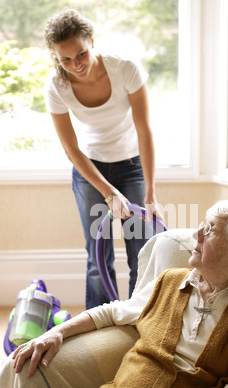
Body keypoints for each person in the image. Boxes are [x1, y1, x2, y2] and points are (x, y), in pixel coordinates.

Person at [12, 200, 228, 388]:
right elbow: (114, 312)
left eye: (211, 230)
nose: (196, 234)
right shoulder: (170, 281)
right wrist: (56, 332)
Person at [43, 9, 161, 309]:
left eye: (80, 54)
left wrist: (151, 195)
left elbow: (145, 130)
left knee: (143, 250)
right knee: (98, 256)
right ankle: (98, 330)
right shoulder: (57, 87)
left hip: (132, 166)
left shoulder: (126, 69)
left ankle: (139, 321)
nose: (75, 65)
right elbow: (71, 149)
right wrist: (108, 191)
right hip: (90, 170)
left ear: (92, 42)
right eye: (65, 60)